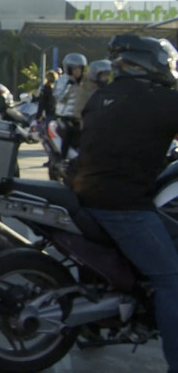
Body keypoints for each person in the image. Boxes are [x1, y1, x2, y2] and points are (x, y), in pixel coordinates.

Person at [71, 34, 178, 372]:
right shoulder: (163, 101)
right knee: (171, 281)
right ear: (153, 63)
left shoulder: (104, 95)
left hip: (85, 191)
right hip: (122, 205)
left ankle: (93, 325)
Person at [53, 52, 87, 158]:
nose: (77, 71)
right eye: (74, 69)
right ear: (68, 69)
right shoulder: (63, 80)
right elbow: (58, 97)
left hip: (81, 116)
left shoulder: (86, 81)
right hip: (66, 116)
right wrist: (69, 86)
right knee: (69, 132)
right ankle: (62, 158)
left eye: (79, 69)